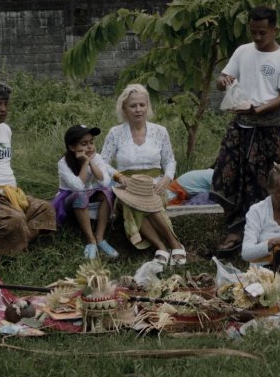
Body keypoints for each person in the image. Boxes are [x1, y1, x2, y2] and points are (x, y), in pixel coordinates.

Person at [212, 6, 280, 254]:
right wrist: (223, 81)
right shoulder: (243, 51)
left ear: (275, 30)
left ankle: (261, 235)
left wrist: (260, 109)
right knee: (228, 176)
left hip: (267, 129)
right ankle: (235, 230)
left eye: (263, 33)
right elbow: (223, 79)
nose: (258, 38)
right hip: (239, 125)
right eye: (254, 33)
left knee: (259, 181)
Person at [101, 84, 186, 266]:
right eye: (133, 106)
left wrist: (167, 178)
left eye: (142, 105)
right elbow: (103, 162)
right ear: (124, 108)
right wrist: (117, 176)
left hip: (154, 185)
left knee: (147, 199)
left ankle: (172, 243)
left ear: (148, 106)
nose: (138, 109)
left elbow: (170, 161)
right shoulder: (115, 133)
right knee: (130, 202)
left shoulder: (160, 131)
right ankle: (164, 246)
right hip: (126, 187)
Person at [0, 81, 56, 256]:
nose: (3, 109)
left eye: (5, 104)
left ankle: (17, 244)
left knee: (45, 209)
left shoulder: (6, 130)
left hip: (11, 194)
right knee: (14, 220)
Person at [54, 124, 118, 259]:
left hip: (87, 194)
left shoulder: (96, 158)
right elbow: (77, 187)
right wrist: (84, 164)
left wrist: (90, 162)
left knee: (108, 191)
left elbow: (105, 182)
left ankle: (100, 238)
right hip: (67, 199)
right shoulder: (63, 163)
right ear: (72, 147)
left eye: (91, 142)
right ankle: (90, 240)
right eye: (84, 144)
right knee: (80, 194)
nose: (90, 147)